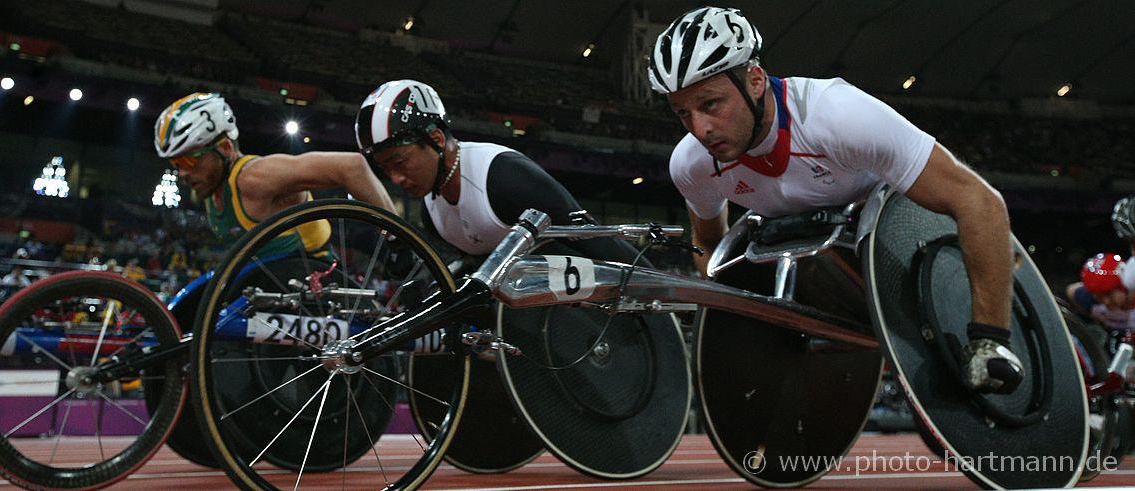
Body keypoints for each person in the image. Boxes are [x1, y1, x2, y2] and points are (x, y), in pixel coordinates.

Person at [648, 7, 1019, 394]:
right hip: (812, 262)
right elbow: (710, 244)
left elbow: (979, 200)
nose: (700, 129)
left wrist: (989, 336)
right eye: (683, 114)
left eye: (710, 104)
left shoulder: (838, 116)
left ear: (755, 81)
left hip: (896, 233)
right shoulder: (691, 164)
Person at [354, 80, 645, 267]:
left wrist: (676, 298)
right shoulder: (432, 213)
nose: (395, 179)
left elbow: (598, 241)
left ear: (437, 140)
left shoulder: (504, 176)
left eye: (399, 162)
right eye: (385, 169)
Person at [154, 92, 396, 256]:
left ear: (225, 148)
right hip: (271, 293)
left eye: (189, 160)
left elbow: (352, 166)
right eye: (176, 163)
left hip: (318, 290)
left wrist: (399, 241)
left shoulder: (254, 177)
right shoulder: (210, 189)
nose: (182, 172)